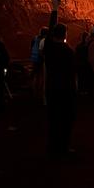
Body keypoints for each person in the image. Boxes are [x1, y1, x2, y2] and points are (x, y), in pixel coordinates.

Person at [43, 13, 77, 159]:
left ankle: (53, 147)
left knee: (53, 119)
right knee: (66, 120)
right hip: (66, 90)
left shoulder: (49, 50)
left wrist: (55, 11)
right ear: (65, 34)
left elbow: (49, 35)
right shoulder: (68, 51)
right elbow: (72, 73)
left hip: (51, 89)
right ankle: (64, 147)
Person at [30, 26, 48, 99]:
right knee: (42, 76)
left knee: (35, 75)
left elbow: (31, 47)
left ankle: (34, 91)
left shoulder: (35, 38)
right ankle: (40, 92)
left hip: (34, 58)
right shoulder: (43, 40)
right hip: (40, 59)